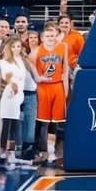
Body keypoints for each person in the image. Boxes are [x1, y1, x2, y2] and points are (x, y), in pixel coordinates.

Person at [31, 22, 69, 165]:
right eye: (47, 35)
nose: (50, 37)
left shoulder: (62, 47)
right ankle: (41, 151)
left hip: (57, 86)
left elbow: (65, 70)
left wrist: (65, 90)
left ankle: (52, 151)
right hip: (43, 87)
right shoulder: (37, 51)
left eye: (52, 34)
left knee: (56, 122)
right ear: (43, 36)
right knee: (43, 122)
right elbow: (29, 61)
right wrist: (37, 76)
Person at [0, 36, 28, 168]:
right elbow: (6, 77)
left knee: (15, 124)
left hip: (19, 94)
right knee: (7, 124)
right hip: (9, 94)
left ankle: (12, 153)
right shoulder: (4, 61)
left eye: (18, 46)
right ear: (9, 47)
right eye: (13, 46)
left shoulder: (21, 60)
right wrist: (11, 84)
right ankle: (4, 153)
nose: (16, 49)